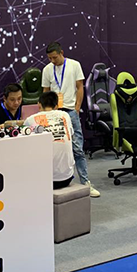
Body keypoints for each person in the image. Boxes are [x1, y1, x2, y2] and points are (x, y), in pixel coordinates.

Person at [41, 41, 100, 198]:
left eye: (54, 57)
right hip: (53, 113)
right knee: (54, 149)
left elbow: (80, 87)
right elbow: (46, 91)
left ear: (61, 53)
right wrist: (46, 111)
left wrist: (76, 107)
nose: (52, 61)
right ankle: (55, 183)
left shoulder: (74, 65)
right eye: (49, 58)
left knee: (77, 148)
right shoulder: (47, 70)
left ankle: (85, 182)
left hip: (70, 111)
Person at [23, 91, 75, 189]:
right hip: (67, 177)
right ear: (56, 106)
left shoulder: (30, 120)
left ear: (39, 105)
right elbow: (71, 136)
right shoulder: (65, 115)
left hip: (45, 181)